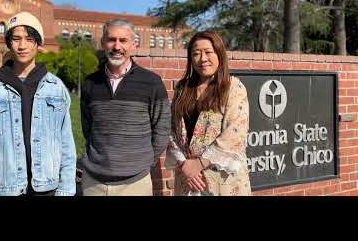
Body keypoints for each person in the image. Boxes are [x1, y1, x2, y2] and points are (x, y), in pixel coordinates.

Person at [0, 11, 76, 196]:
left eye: (29, 39)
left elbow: (66, 144)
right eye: (16, 39)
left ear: (38, 43)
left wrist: (66, 189)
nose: (22, 46)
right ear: (9, 43)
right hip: (5, 189)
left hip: (47, 188)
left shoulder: (55, 87)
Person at [80, 19, 171, 196]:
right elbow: (87, 127)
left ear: (133, 45)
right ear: (103, 43)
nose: (116, 46)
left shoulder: (152, 82)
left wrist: (142, 162)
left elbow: (162, 129)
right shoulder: (90, 83)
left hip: (135, 184)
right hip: (94, 183)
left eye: (123, 40)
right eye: (111, 39)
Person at [166, 30, 251, 196]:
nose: (203, 59)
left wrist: (198, 163)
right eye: (196, 53)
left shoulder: (233, 87)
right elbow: (172, 130)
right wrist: (185, 166)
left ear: (219, 53)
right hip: (188, 179)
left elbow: (235, 133)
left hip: (222, 180)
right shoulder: (183, 89)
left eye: (208, 52)